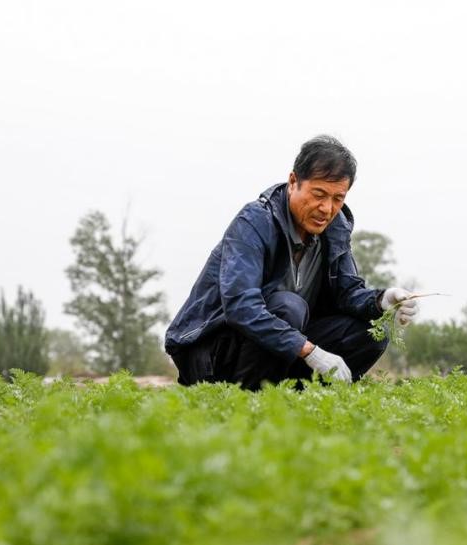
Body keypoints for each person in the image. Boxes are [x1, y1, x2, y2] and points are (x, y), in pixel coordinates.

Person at [164, 135, 418, 388]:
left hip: (278, 349)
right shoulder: (255, 222)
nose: (327, 208)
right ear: (293, 181)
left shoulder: (334, 229)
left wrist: (383, 300)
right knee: (289, 307)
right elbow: (241, 306)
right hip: (211, 353)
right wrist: (310, 351)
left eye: (338, 198)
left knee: (372, 334)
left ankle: (298, 401)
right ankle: (249, 402)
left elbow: (347, 293)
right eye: (319, 194)